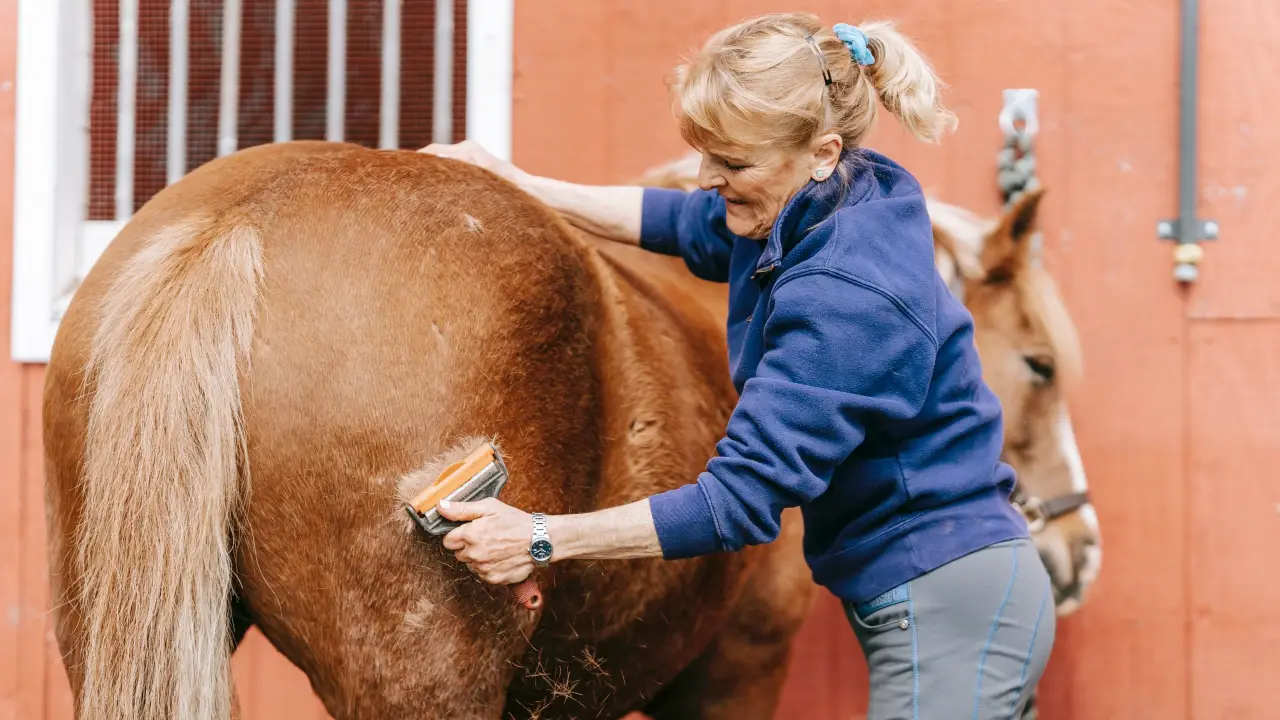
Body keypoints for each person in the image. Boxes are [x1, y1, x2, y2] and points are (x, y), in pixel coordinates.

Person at [420, 13, 1054, 718]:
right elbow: (682, 223)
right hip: (935, 596)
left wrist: (539, 537)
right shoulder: (823, 202)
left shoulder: (849, 294)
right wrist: (518, 184)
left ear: (822, 150)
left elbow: (737, 503)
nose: (706, 178)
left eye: (733, 164)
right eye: (705, 154)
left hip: (947, 602)